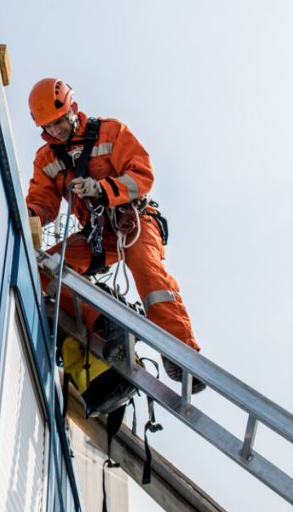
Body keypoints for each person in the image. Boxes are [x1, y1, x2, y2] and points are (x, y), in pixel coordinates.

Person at [25, 77, 205, 394]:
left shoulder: (110, 133)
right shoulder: (47, 160)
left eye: (59, 123)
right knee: (42, 269)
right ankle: (102, 322)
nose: (55, 131)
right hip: (97, 236)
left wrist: (103, 190)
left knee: (147, 271)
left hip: (132, 221)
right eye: (48, 127)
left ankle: (181, 352)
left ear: (73, 109)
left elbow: (142, 175)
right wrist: (30, 216)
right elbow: (42, 202)